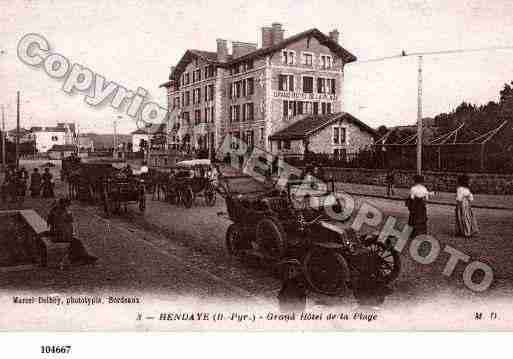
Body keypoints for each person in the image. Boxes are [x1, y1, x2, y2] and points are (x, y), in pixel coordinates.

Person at [47, 198, 98, 265]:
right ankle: (81, 258)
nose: (68, 207)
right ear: (64, 204)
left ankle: (81, 257)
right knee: (76, 242)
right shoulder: (62, 212)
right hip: (58, 236)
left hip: (56, 235)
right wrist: (69, 216)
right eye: (67, 205)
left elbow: (52, 223)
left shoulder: (55, 211)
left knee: (75, 242)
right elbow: (66, 224)